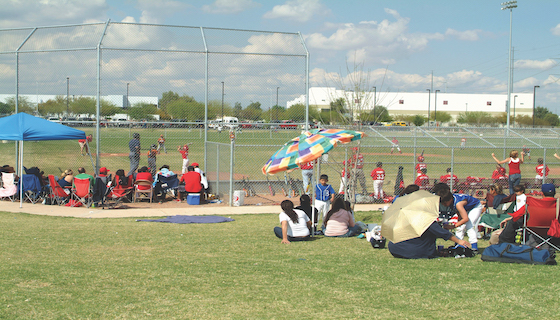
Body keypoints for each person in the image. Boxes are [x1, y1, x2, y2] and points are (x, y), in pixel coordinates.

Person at [388, 220, 470, 259]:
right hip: (414, 251)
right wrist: (459, 241)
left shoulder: (406, 218)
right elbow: (442, 233)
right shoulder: (426, 220)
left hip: (394, 248)